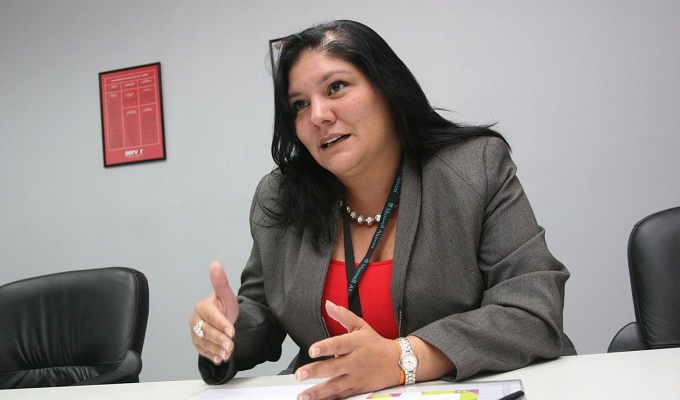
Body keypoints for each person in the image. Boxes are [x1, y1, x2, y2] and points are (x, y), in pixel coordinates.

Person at [189, 20, 569, 400]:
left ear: (387, 89)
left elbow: (532, 310)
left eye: (336, 87)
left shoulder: (474, 169)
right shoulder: (279, 197)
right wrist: (224, 330)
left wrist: (403, 359)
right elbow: (263, 312)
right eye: (299, 105)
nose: (318, 115)